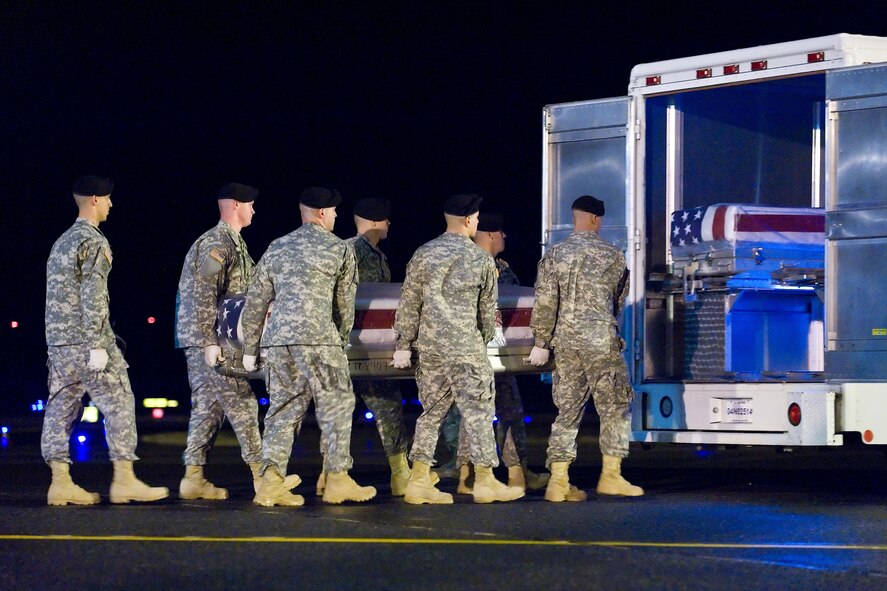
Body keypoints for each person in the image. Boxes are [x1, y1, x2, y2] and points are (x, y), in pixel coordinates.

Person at [241, 187, 376, 507]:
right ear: (321, 213)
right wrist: (339, 338)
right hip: (319, 339)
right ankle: (337, 480)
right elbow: (345, 304)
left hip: (279, 341)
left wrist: (250, 347)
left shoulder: (277, 247)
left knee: (282, 411)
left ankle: (270, 482)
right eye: (333, 212)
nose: (335, 217)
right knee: (337, 405)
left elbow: (256, 301)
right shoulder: (338, 249)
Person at [43, 175, 169, 505]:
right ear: (95, 200)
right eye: (108, 199)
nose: (112, 204)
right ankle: (125, 480)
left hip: (59, 344)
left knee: (60, 410)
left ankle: (59, 483)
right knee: (120, 403)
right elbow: (93, 295)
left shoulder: (61, 242)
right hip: (87, 342)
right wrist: (99, 343)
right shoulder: (94, 241)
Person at [391, 194, 524, 505]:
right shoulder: (480, 259)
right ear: (468, 220)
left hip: (430, 349)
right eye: (476, 219)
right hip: (465, 347)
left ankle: (419, 480)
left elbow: (409, 304)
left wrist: (403, 344)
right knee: (479, 413)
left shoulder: (423, 254)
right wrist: (482, 339)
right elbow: (486, 313)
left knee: (431, 414)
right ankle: (486, 481)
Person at [174, 182, 298, 500]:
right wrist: (208, 341)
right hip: (215, 338)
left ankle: (193, 477)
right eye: (250, 204)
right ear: (235, 205)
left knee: (208, 408)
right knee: (242, 403)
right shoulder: (217, 243)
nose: (254, 210)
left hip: (217, 337)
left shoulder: (235, 243)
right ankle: (263, 477)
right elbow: (203, 290)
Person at [526, 195, 643, 501]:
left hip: (565, 344)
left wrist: (541, 341)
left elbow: (545, 303)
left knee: (567, 411)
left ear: (574, 217)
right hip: (600, 342)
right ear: (596, 219)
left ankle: (558, 481)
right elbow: (618, 300)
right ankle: (611, 476)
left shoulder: (555, 255)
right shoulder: (612, 255)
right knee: (615, 407)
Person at [451, 212, 549, 494]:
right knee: (492, 412)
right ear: (491, 235)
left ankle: (487, 475)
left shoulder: (491, 265)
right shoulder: (474, 264)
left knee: (490, 412)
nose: (505, 236)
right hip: (482, 351)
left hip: (491, 353)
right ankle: (488, 476)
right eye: (501, 232)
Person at [325, 198, 413, 496]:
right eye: (386, 220)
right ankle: (333, 474)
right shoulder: (349, 250)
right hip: (349, 344)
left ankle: (399, 473)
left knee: (385, 405)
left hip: (369, 343)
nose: (389, 225)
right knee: (344, 408)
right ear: (376, 221)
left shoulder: (377, 255)